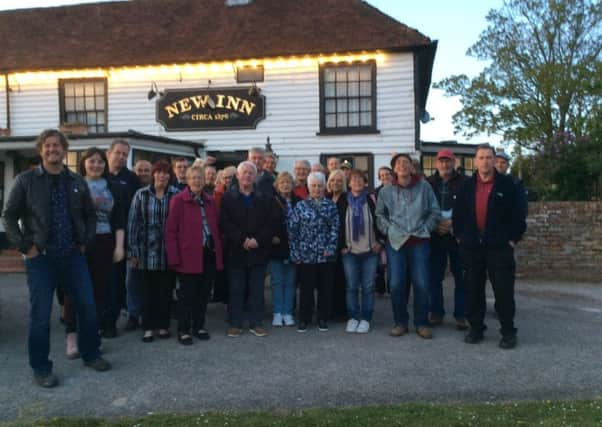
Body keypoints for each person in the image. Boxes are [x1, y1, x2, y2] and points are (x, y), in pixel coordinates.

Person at [3, 129, 110, 387]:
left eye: (57, 145)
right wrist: (25, 247)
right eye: (48, 146)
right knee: (40, 315)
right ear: (41, 150)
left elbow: (90, 215)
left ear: (64, 149)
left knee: (87, 306)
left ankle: (91, 353)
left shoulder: (75, 181)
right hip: (41, 258)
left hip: (73, 256)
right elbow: (8, 217)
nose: (53, 149)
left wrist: (86, 241)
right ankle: (41, 368)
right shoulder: (25, 180)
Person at [453, 144, 527, 349]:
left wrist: (513, 239)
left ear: (495, 161)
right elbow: (458, 214)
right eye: (481, 157)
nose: (485, 161)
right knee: (473, 291)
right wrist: (460, 237)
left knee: (503, 292)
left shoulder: (507, 185)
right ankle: (476, 329)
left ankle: (508, 332)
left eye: (488, 157)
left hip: (499, 248)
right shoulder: (466, 185)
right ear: (475, 161)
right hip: (472, 248)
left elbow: (519, 214)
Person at [63, 148, 126, 358]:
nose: (96, 165)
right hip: (78, 243)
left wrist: (119, 246)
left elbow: (118, 219)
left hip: (105, 241)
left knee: (99, 292)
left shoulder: (112, 187)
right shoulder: (73, 184)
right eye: (92, 161)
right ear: (84, 163)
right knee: (74, 290)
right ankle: (71, 335)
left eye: (100, 162)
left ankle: (91, 335)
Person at [376, 153, 440, 339]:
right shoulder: (386, 191)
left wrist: (426, 229)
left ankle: (421, 323)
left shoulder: (424, 187)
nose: (402, 165)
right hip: (395, 243)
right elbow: (380, 215)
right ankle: (400, 322)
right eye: (399, 163)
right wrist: (389, 231)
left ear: (412, 168)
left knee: (421, 283)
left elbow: (434, 211)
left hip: (419, 242)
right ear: (394, 169)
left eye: (406, 163)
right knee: (396, 284)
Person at [165, 166, 223, 345]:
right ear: (188, 180)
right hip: (188, 255)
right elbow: (170, 232)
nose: (197, 181)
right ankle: (183, 329)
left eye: (200, 178)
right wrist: (174, 258)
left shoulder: (210, 200)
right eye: (194, 178)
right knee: (187, 295)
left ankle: (199, 326)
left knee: (203, 294)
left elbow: (216, 229)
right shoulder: (178, 200)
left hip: (208, 253)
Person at [220, 161, 275, 338]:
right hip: (236, 250)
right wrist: (242, 239)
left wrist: (257, 240)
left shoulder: (264, 197)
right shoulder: (228, 197)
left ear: (255, 176)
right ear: (237, 176)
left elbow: (270, 222)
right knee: (236, 290)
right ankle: (235, 323)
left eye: (251, 173)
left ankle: (256, 323)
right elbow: (225, 223)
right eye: (244, 173)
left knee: (256, 290)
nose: (247, 176)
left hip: (258, 250)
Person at [128, 160, 180, 342]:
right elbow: (133, 223)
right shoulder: (141, 194)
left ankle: (163, 325)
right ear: (153, 175)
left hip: (168, 251)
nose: (162, 176)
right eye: (159, 172)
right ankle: (148, 327)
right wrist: (133, 250)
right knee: (147, 291)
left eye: (166, 173)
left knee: (165, 291)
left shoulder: (176, 194)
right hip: (145, 251)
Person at [289, 172, 339, 332]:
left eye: (319, 186)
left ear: (324, 187)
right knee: (306, 289)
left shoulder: (330, 205)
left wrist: (330, 248)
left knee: (325, 288)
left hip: (325, 254)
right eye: (313, 186)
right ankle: (304, 318)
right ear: (308, 187)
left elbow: (335, 228)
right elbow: (293, 231)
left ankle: (322, 318)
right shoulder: (300, 206)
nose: (317, 189)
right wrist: (296, 253)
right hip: (306, 254)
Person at [338, 169, 385, 334]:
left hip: (370, 250)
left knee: (368, 286)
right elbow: (337, 225)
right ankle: (353, 317)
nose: (357, 182)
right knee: (351, 286)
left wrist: (380, 242)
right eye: (353, 179)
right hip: (350, 251)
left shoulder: (372, 199)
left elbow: (380, 220)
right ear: (349, 183)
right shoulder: (343, 200)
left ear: (365, 183)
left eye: (360, 179)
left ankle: (365, 318)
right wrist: (340, 246)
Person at [426, 149, 468, 330]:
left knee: (462, 276)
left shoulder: (466, 182)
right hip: (436, 235)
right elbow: (423, 208)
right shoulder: (428, 183)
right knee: (434, 277)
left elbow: (470, 207)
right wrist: (436, 224)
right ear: (436, 163)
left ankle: (461, 315)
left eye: (448, 161)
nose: (445, 164)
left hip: (458, 235)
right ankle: (436, 313)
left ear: (454, 162)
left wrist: (454, 223)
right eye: (442, 161)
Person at [106, 139, 141, 337]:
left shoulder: (132, 179)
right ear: (109, 153)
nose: (121, 157)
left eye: (124, 155)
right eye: (118, 153)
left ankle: (117, 318)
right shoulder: (99, 175)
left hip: (126, 237)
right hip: (101, 236)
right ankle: (102, 319)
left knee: (122, 281)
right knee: (103, 280)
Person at [269, 172, 300, 327]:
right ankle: (277, 312)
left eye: (288, 182)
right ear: (277, 185)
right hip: (277, 246)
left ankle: (287, 312)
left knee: (290, 282)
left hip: (293, 247)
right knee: (277, 281)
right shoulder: (272, 201)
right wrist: (271, 235)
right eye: (282, 182)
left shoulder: (299, 202)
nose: (285, 185)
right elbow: (265, 222)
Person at [326, 169, 348, 321]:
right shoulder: (325, 198)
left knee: (341, 279)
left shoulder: (347, 199)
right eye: (333, 180)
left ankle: (342, 311)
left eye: (339, 180)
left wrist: (343, 244)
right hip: (326, 245)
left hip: (342, 245)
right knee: (328, 280)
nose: (336, 183)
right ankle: (329, 310)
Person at [495, 151, 528, 217]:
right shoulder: (487, 182)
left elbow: (523, 209)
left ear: (508, 165)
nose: (499, 165)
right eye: (496, 162)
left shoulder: (516, 183)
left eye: (503, 162)